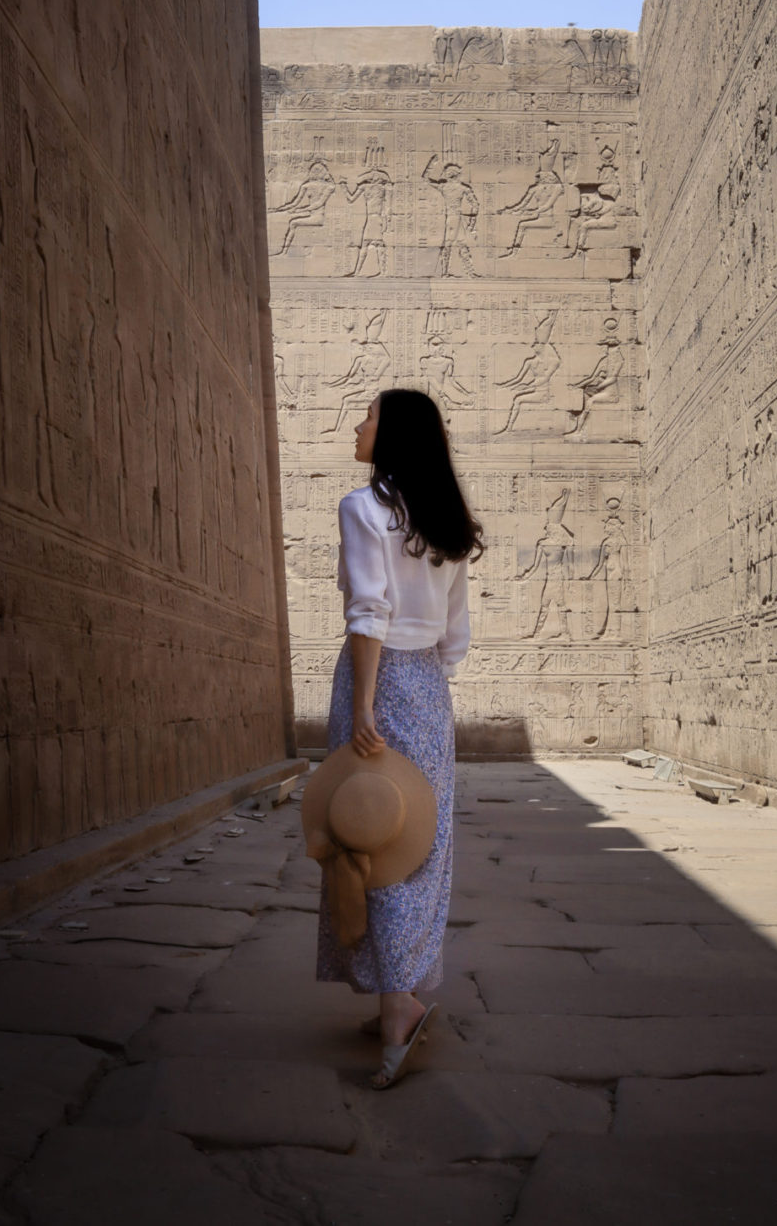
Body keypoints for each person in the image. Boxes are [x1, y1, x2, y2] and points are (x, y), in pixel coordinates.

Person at [316, 387, 483, 1087]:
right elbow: (455, 633)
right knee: (417, 842)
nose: (357, 426)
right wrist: (428, 691)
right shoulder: (445, 518)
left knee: (366, 836)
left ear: (394, 436)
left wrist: (364, 704)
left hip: (377, 680)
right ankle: (401, 991)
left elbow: (368, 614)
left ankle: (395, 1010)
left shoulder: (363, 508)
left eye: (369, 416)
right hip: (428, 689)